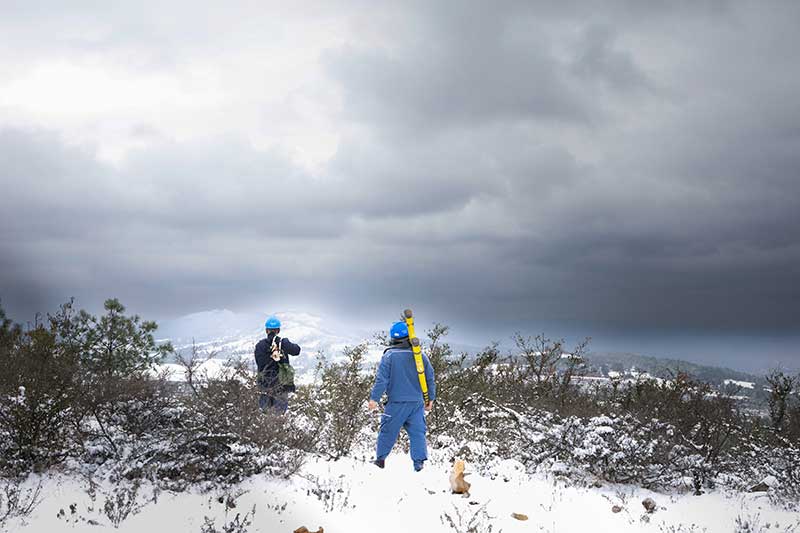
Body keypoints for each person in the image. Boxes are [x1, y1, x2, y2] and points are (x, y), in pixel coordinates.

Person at [368, 320, 436, 471]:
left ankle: (380, 460)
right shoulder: (420, 356)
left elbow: (382, 380)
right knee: (418, 433)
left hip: (396, 403)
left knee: (387, 432)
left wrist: (374, 398)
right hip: (417, 403)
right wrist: (430, 398)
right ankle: (419, 464)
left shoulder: (389, 356)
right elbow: (430, 378)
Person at [254, 316, 301, 414]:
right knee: (278, 417)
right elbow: (297, 350)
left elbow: (259, 363)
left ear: (266, 330)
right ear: (278, 330)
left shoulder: (259, 346)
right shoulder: (283, 343)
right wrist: (285, 342)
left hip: (264, 385)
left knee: (263, 416)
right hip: (281, 386)